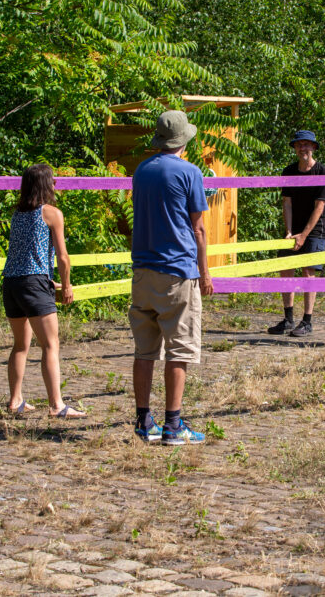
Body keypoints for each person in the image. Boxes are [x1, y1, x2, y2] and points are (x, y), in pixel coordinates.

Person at [130, 110, 213, 445]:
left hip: (142, 270)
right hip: (177, 272)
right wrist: (205, 272)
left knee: (145, 350)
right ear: (184, 141)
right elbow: (199, 228)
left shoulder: (141, 171)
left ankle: (142, 421)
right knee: (179, 349)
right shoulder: (189, 172)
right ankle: (173, 425)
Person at [1, 164, 84, 418]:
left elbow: (26, 253)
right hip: (34, 284)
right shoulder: (51, 214)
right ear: (45, 185)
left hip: (12, 282)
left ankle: (15, 401)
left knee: (20, 345)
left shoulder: (17, 214)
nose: (55, 184)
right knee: (50, 344)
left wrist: (48, 280)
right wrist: (66, 284)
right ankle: (56, 405)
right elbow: (63, 256)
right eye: (52, 180)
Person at [266, 130, 325, 338]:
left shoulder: (323, 173)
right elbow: (287, 203)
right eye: (299, 145)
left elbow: (319, 207)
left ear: (314, 147)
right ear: (295, 148)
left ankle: (307, 321)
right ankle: (288, 319)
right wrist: (289, 231)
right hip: (293, 229)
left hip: (314, 230)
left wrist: (303, 235)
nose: (302, 148)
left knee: (308, 272)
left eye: (306, 144)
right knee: (286, 270)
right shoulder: (288, 171)